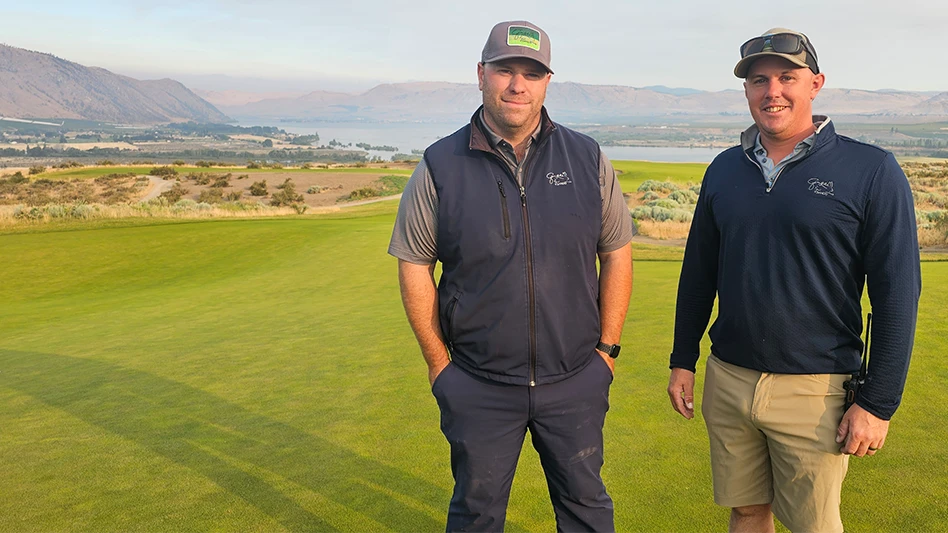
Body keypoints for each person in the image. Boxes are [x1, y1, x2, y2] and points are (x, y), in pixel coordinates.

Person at [666, 28, 921, 533]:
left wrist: (878, 403)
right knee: (746, 512)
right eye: (759, 80)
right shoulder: (724, 169)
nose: (772, 91)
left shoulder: (871, 169)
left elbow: (897, 295)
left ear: (816, 83)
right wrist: (682, 359)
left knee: (814, 527)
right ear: (746, 91)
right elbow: (699, 272)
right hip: (729, 378)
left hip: (816, 388)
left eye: (787, 77)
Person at [389, 20, 634, 532]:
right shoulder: (440, 164)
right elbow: (414, 262)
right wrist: (440, 367)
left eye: (531, 72)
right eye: (505, 70)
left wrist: (606, 353)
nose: (517, 85)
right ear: (481, 74)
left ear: (548, 81)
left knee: (588, 513)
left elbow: (616, 252)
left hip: (574, 381)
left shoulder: (587, 158)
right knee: (476, 516)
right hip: (479, 383)